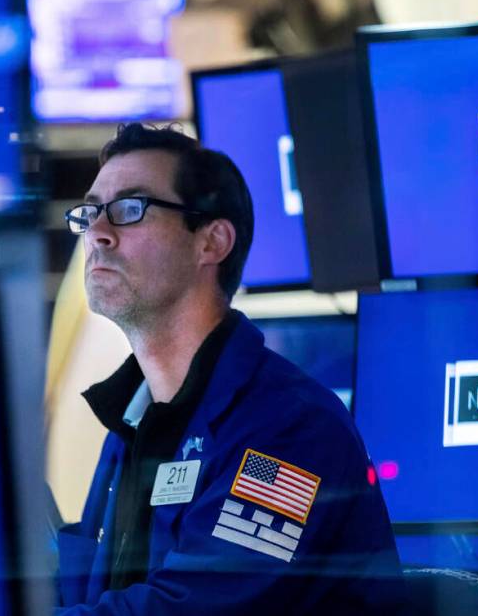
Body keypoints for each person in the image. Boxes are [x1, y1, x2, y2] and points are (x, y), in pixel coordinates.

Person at [55, 123, 402, 615]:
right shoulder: (135, 421)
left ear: (211, 242)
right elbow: (80, 586)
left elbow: (199, 608)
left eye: (130, 209)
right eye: (90, 213)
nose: (99, 234)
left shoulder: (289, 428)